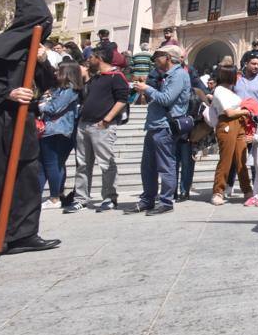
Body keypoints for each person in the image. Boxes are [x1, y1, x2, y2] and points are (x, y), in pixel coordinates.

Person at [0, 0, 63, 261]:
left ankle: (23, 233)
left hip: (27, 124)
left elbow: (50, 83)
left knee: (29, 177)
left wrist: (46, 64)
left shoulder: (37, 53)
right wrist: (6, 95)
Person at [126, 45, 190, 215]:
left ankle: (166, 201)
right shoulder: (166, 75)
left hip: (165, 126)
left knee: (165, 165)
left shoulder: (179, 75)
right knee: (148, 166)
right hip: (155, 125)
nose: (154, 60)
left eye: (157, 56)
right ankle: (147, 199)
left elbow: (167, 99)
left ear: (168, 57)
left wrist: (147, 89)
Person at [65, 43, 128, 213]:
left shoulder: (116, 77)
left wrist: (107, 120)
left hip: (102, 127)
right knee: (83, 164)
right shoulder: (96, 77)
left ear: (99, 59)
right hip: (84, 125)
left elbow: (122, 100)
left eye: (91, 57)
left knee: (106, 163)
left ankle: (109, 197)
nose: (88, 60)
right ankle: (80, 198)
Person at [38, 61, 83, 209]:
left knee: (52, 164)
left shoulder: (70, 89)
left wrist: (42, 104)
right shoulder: (59, 89)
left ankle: (55, 197)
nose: (56, 73)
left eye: (59, 71)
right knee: (50, 164)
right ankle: (53, 194)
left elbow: (54, 108)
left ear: (67, 73)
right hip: (53, 129)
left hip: (57, 130)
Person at [208, 64, 253, 206]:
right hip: (227, 124)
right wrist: (245, 111)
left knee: (241, 159)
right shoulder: (220, 90)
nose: (238, 77)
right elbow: (229, 112)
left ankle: (247, 190)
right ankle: (218, 191)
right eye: (236, 75)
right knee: (226, 159)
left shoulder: (230, 91)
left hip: (239, 124)